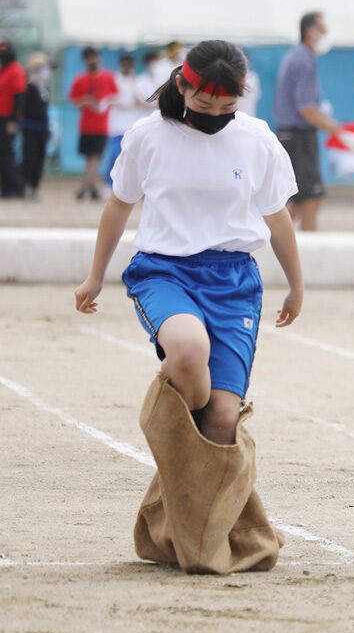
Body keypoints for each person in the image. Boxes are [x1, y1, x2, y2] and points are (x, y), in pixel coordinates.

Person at [74, 39, 303, 446]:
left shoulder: (257, 138)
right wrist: (95, 276)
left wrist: (296, 287)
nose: (216, 115)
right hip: (165, 272)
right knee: (188, 352)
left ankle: (191, 483)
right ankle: (175, 421)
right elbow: (117, 204)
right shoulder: (148, 135)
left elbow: (278, 215)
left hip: (233, 281)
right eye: (204, 104)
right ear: (182, 87)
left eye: (227, 107)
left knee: (221, 423)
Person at [273, 11, 342, 231]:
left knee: (302, 198)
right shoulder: (303, 61)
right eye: (323, 29)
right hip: (298, 136)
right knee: (310, 198)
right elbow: (306, 108)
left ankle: (279, 240)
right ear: (310, 32)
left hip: (292, 135)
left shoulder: (296, 56)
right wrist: (334, 127)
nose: (326, 34)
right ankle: (281, 241)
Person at [68, 47, 118, 201]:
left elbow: (115, 96)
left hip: (101, 125)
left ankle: (86, 187)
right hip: (86, 125)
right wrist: (87, 101)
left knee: (95, 157)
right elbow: (74, 100)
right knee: (90, 157)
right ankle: (89, 187)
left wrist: (104, 102)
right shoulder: (80, 79)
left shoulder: (108, 77)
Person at [105, 53, 150, 180]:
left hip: (130, 124)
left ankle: (124, 182)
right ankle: (109, 182)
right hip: (116, 124)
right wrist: (124, 104)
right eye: (125, 64)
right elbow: (112, 99)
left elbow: (138, 100)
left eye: (130, 64)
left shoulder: (134, 80)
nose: (128, 67)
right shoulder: (115, 79)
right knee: (115, 155)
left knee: (130, 156)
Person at [18, 52, 52, 200]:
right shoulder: (29, 87)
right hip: (30, 127)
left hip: (42, 128)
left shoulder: (44, 89)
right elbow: (25, 108)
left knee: (40, 158)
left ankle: (34, 187)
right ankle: (24, 185)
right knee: (29, 157)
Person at [0, 39, 25, 198]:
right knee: (2, 153)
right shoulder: (5, 69)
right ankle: (7, 188)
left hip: (8, 118)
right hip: (1, 116)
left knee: (6, 153)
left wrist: (13, 121)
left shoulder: (16, 70)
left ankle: (17, 187)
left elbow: (19, 97)